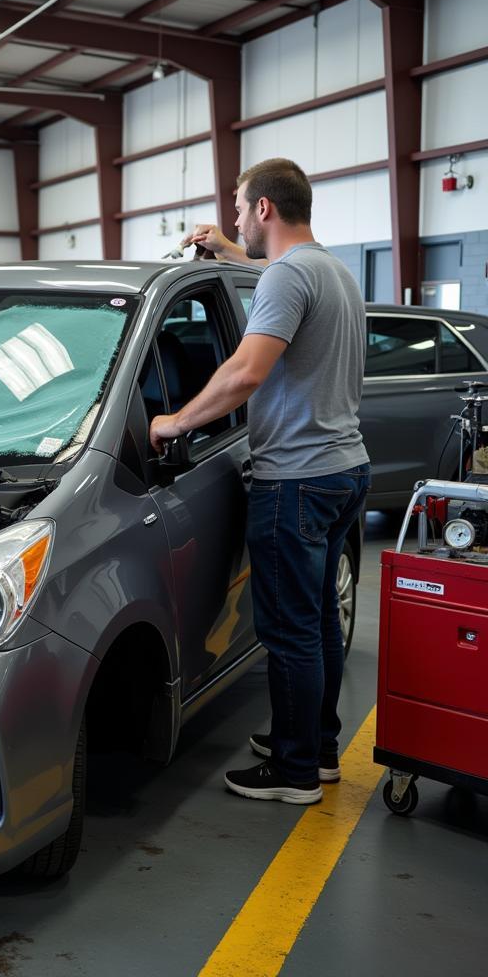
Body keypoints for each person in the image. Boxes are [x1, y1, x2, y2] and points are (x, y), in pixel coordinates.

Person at [149, 158, 370, 805]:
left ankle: (294, 772)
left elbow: (245, 373)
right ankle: (317, 748)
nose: (236, 219)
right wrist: (224, 252)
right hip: (342, 469)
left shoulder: (287, 278)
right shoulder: (328, 269)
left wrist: (175, 421)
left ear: (266, 209)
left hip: (295, 480)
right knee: (319, 621)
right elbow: (276, 280)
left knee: (290, 630)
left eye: (240, 209)